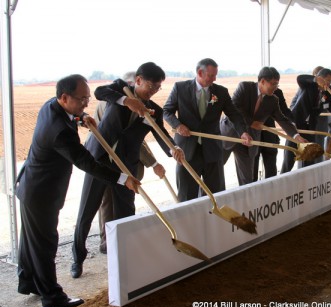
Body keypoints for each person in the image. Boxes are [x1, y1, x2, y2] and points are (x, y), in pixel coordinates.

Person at [15, 74, 140, 307]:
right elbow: (88, 163)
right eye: (82, 99)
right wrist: (123, 179)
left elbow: (71, 115)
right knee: (45, 243)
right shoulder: (59, 130)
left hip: (31, 185)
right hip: (41, 193)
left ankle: (28, 281)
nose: (86, 102)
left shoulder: (51, 106)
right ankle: (52, 297)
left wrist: (81, 116)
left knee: (30, 240)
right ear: (65, 97)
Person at [71, 62, 184, 278]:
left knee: (125, 213)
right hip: (99, 160)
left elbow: (162, 136)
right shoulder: (120, 89)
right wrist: (126, 101)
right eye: (150, 86)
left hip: (126, 168)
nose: (153, 92)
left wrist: (174, 149)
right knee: (87, 211)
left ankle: (125, 256)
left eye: (157, 88)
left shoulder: (154, 111)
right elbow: (98, 92)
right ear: (138, 80)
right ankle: (78, 258)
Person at [90, 71, 166, 254]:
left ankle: (125, 239)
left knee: (126, 202)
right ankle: (107, 241)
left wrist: (154, 163)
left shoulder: (146, 107)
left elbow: (138, 140)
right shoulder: (109, 105)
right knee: (107, 201)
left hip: (128, 162)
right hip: (105, 160)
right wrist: (154, 163)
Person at [163, 58, 252, 201]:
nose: (214, 79)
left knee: (216, 194)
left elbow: (234, 115)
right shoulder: (180, 88)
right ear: (200, 72)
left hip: (212, 150)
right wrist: (178, 125)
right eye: (211, 75)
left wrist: (243, 132)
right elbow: (167, 112)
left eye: (216, 75)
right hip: (186, 151)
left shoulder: (221, 92)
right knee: (186, 196)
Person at [221, 66, 307, 185]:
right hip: (230, 134)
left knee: (247, 179)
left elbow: (282, 119)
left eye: (277, 84)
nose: (275, 87)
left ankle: (248, 202)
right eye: (273, 84)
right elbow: (234, 109)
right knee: (215, 171)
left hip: (249, 141)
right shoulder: (244, 87)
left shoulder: (273, 100)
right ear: (262, 81)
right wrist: (251, 122)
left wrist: (296, 136)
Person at [280, 68, 331, 173]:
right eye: (328, 80)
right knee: (290, 156)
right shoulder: (309, 85)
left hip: (311, 127)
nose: (329, 83)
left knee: (309, 156)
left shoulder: (327, 91)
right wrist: (315, 79)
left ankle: (306, 178)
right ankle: (283, 177)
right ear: (321, 78)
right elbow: (300, 78)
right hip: (296, 125)